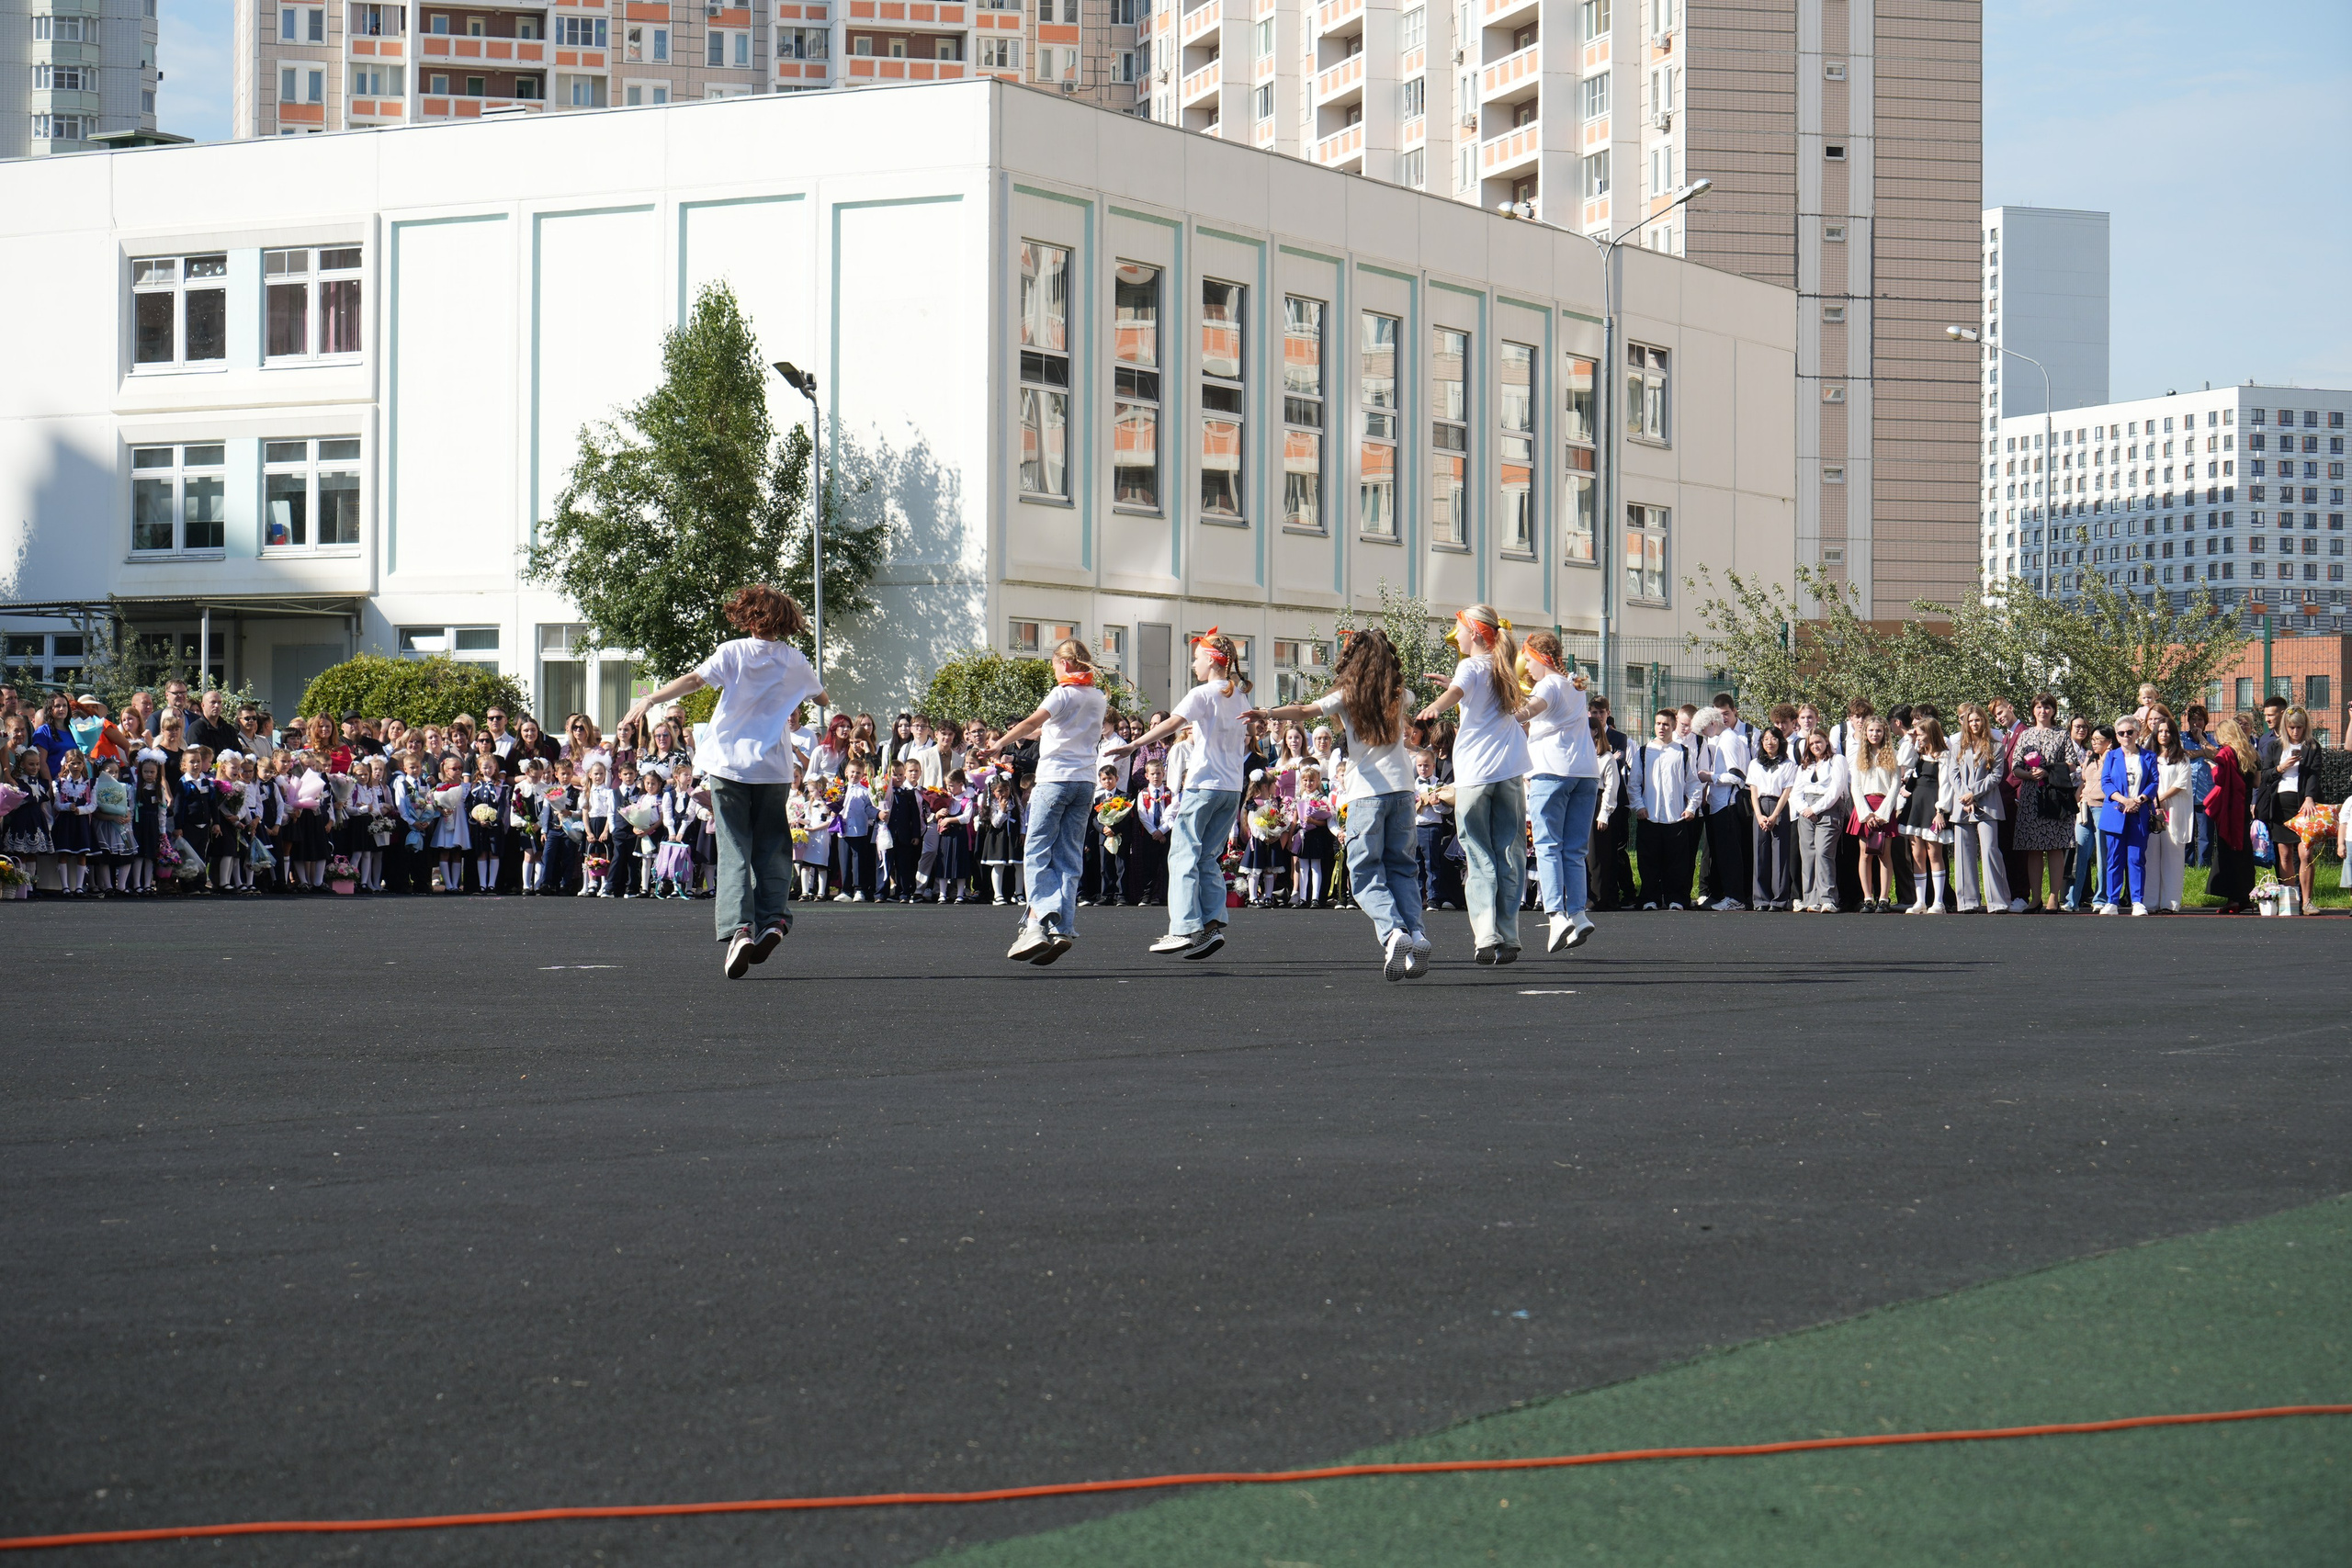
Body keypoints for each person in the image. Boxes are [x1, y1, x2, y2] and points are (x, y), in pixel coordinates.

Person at [621, 584, 827, 977]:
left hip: (730, 766)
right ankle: (774, 919)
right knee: (773, 845)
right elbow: (823, 699)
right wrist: (802, 694)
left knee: (734, 847)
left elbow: (695, 681)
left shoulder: (733, 651)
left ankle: (740, 929)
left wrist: (649, 699)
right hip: (773, 770)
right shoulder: (795, 660)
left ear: (749, 617)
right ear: (783, 620)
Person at [1247, 628, 1428, 978]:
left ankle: (1393, 933)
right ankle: (1417, 936)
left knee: (1364, 872)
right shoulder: (1400, 695)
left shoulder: (1346, 695)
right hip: (1404, 791)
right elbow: (1409, 696)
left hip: (1367, 793)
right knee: (1403, 868)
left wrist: (1267, 711)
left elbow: (1302, 710)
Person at [1111, 630, 1251, 961]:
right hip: (1231, 788)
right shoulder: (1239, 696)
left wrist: (1134, 744)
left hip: (1203, 785)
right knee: (1206, 857)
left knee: (1182, 855)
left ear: (1212, 661)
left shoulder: (1202, 693)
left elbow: (1172, 724)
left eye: (1197, 657)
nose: (1193, 663)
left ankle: (1184, 927)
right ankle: (1211, 921)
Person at [978, 637, 1113, 964]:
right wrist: (1022, 740)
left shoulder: (1062, 692)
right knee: (1067, 856)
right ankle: (1062, 926)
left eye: (1054, 665)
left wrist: (1000, 746)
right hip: (1084, 782)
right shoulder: (1097, 696)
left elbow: (1031, 723)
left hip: (1054, 780)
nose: (1054, 672)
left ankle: (1036, 926)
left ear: (1064, 664)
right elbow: (1051, 729)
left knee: (1037, 851)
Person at [1415, 605, 1532, 964]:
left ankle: (1485, 933)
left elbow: (1458, 693)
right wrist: (1450, 691)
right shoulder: (1503, 668)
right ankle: (1509, 934)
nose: (1457, 636)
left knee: (1479, 856)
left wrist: (1438, 702)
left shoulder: (1468, 667)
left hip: (1476, 775)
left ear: (1477, 635)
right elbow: (1477, 697)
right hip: (1510, 771)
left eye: (1460, 631)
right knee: (1510, 854)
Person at [1518, 631, 1600, 952]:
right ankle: (1578, 914)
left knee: (1548, 846)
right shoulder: (1573, 686)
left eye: (1527, 658)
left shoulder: (1548, 684)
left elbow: (1529, 710)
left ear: (1538, 657)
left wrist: (1509, 712)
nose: (1525, 665)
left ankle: (1556, 916)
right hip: (1585, 774)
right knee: (1575, 849)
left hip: (1552, 772)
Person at [2006, 694, 2073, 912]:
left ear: (2054, 711)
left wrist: (2048, 771)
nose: (2043, 711)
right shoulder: (2025, 736)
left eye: (2047, 707)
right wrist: (2028, 775)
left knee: (2054, 847)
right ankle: (2036, 899)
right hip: (2030, 796)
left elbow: (2072, 764)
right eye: (2039, 707)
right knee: (2032, 848)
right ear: (2033, 710)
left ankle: (2053, 898)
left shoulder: (2062, 734)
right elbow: (2015, 767)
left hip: (2054, 795)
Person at [1630, 707, 1701, 911]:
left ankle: (1675, 899)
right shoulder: (1644, 751)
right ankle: (1650, 898)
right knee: (1648, 861)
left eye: (1666, 724)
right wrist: (1639, 806)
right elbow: (1634, 784)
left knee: (1676, 863)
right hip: (1649, 817)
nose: (1662, 727)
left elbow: (1693, 783)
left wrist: (1691, 808)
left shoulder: (1683, 752)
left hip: (1675, 817)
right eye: (1659, 723)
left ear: (1673, 726)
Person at [2256, 705, 2324, 915]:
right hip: (2279, 805)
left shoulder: (2312, 746)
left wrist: (2309, 797)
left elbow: (2314, 774)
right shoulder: (2275, 747)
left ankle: (2307, 902)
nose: (2296, 732)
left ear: (2306, 727)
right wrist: (2281, 767)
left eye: (2300, 727)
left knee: (2306, 853)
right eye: (2292, 727)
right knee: (2284, 855)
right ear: (2285, 726)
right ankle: (2289, 901)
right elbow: (2265, 776)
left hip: (2304, 806)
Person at [1942, 704, 2010, 914]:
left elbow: (1996, 777)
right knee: (1963, 854)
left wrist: (1973, 793)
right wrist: (1965, 795)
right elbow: (1953, 775)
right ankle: (1967, 902)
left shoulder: (1996, 746)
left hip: (1988, 805)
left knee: (1990, 850)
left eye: (1977, 720)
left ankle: (1998, 902)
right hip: (1962, 806)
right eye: (1970, 720)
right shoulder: (1957, 748)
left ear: (1984, 721)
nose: (1974, 724)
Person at [2098, 716, 2155, 916]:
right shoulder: (2111, 756)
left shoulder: (2148, 757)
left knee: (2136, 858)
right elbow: (2106, 783)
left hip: (2139, 813)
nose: (2126, 736)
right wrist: (2124, 800)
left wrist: (2138, 800)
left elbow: (2153, 782)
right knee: (2114, 858)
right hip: (2116, 812)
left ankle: (2137, 901)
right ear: (2117, 736)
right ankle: (2112, 901)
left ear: (2138, 733)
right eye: (2121, 733)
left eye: (2130, 732)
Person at [1791, 728, 1849, 912]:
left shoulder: (1837, 760)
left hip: (1829, 808)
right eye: (1812, 743)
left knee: (1824, 852)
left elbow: (1836, 789)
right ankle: (1811, 900)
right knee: (1808, 855)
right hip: (1806, 810)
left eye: (1819, 742)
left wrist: (1815, 809)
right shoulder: (1804, 766)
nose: (1816, 746)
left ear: (1826, 742)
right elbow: (1796, 793)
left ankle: (1828, 899)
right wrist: (1804, 810)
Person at [1899, 715, 1952, 914]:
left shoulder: (1944, 755)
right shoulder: (1917, 752)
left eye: (1921, 734)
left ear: (1930, 734)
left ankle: (1938, 902)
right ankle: (1920, 901)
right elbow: (1902, 761)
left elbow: (1946, 784)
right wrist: (1910, 739)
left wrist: (1941, 811)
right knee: (1917, 854)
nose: (1918, 737)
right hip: (1916, 806)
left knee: (1934, 853)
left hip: (1932, 805)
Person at [1847, 716, 1900, 911]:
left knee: (1884, 854)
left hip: (1884, 807)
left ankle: (1884, 898)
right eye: (1871, 731)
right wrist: (1867, 814)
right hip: (1865, 808)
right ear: (1865, 733)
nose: (1874, 734)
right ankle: (1868, 897)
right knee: (1865, 855)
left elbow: (1895, 785)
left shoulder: (1893, 754)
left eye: (1878, 730)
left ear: (1884, 732)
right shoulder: (1860, 757)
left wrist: (1882, 813)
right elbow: (1856, 787)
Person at [2147, 713, 2194, 913]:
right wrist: (2151, 801)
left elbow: (2181, 783)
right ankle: (2150, 902)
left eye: (2168, 731)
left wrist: (2160, 798)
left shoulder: (2181, 758)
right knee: (2150, 857)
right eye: (2161, 731)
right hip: (2150, 810)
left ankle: (2170, 903)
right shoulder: (2148, 756)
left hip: (2173, 811)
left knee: (2173, 856)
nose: (2164, 734)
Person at [1747, 724, 1797, 910]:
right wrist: (1759, 815)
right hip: (1760, 806)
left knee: (1780, 854)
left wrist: (1775, 815)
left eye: (1774, 738)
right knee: (1760, 853)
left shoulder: (1788, 764)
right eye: (1766, 739)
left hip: (1779, 807)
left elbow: (1786, 791)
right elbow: (1753, 791)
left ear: (1780, 741)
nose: (1770, 742)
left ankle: (1779, 900)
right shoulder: (1754, 763)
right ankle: (1760, 899)